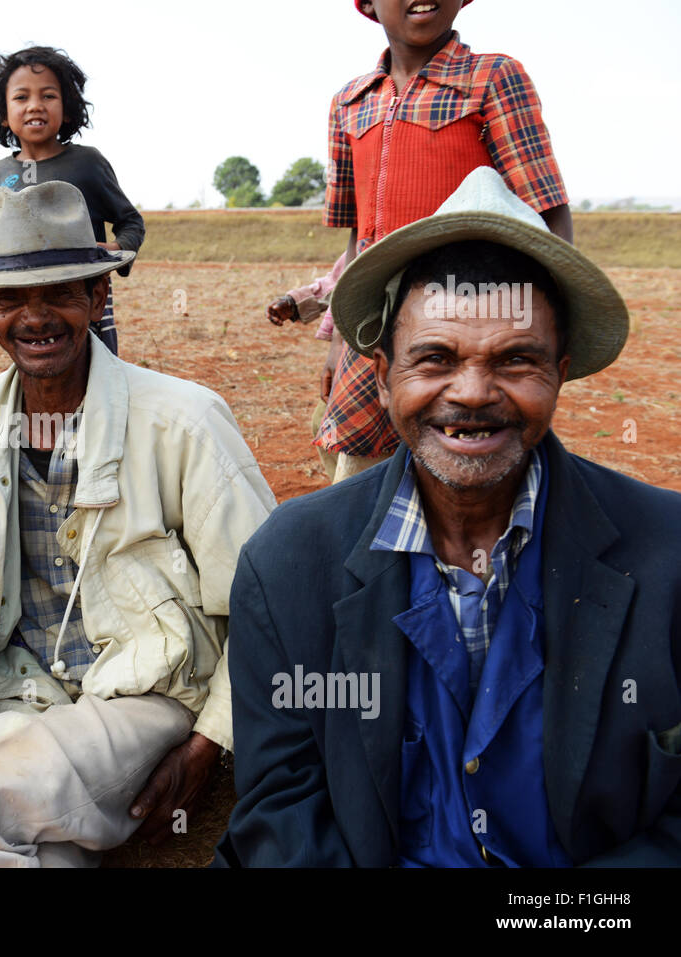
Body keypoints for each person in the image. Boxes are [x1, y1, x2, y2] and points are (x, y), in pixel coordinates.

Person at [215, 167, 681, 867]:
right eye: (435, 358)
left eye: (516, 359)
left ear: (562, 368)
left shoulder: (667, 552)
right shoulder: (288, 562)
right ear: (381, 375)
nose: (470, 393)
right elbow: (282, 814)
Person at [0, 181, 276, 867]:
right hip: (24, 691)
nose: (36, 317)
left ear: (98, 297)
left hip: (147, 694)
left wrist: (209, 745)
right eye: (10, 299)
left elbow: (267, 605)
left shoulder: (185, 421)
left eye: (60, 292)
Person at [317, 0, 572, 482]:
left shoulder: (493, 77)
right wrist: (340, 335)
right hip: (376, 312)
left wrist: (550, 319)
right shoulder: (350, 102)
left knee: (476, 439)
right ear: (367, 3)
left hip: (473, 311)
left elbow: (546, 209)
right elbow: (359, 234)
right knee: (361, 463)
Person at [0, 45, 143, 387]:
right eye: (21, 97)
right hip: (22, 304)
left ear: (68, 109)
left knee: (94, 385)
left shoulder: (87, 163)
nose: (35, 105)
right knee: (38, 378)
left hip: (80, 302)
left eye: (48, 95)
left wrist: (116, 250)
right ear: (3, 113)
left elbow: (131, 221)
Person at [266, 252, 347, 481]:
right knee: (325, 422)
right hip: (357, 348)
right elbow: (340, 280)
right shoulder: (366, 233)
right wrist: (295, 302)